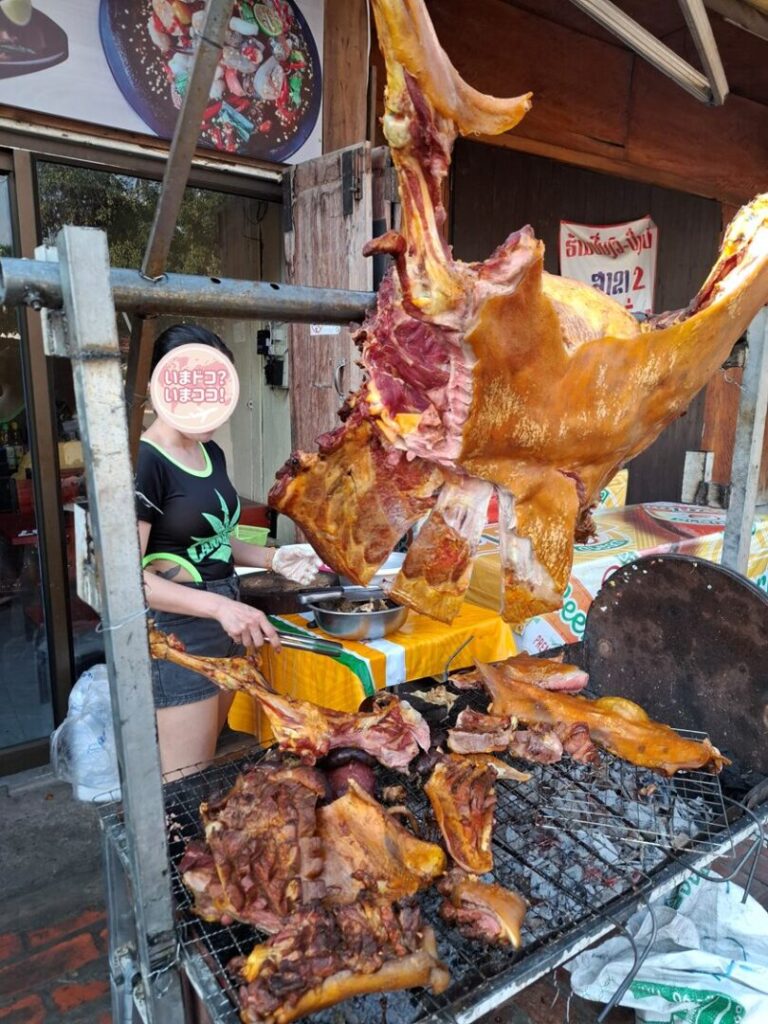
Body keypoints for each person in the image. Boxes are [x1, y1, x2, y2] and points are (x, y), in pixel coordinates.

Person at [135, 323, 320, 776]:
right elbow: (128, 581)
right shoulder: (144, 461)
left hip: (227, 616)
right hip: (179, 629)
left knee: (209, 757)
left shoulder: (210, 452)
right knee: (183, 782)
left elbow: (214, 540)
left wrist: (274, 557)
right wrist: (217, 607)